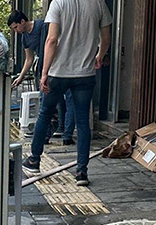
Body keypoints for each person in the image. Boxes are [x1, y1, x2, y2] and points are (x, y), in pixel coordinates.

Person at [23, 0, 111, 186]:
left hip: (58, 73)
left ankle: (34, 160)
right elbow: (106, 37)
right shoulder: (99, 4)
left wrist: (44, 72)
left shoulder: (58, 3)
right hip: (85, 73)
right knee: (83, 122)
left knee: (45, 114)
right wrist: (100, 56)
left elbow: (51, 40)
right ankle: (81, 172)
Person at [8, 10, 74, 145]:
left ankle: (64, 130)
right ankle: (48, 130)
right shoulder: (24, 37)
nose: (16, 30)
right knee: (47, 99)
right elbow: (29, 58)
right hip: (43, 67)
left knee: (62, 97)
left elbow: (53, 42)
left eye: (16, 27)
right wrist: (21, 76)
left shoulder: (42, 25)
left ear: (22, 21)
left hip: (58, 65)